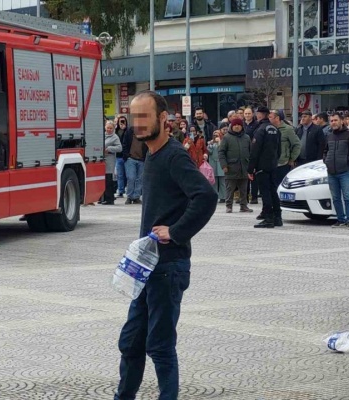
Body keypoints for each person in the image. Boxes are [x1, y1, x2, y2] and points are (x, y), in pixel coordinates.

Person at [114, 91, 217, 400]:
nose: (138, 123)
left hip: (168, 267)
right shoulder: (151, 154)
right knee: (131, 342)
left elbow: (206, 196)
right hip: (148, 267)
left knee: (159, 346)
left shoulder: (173, 155)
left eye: (144, 116)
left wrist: (176, 231)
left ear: (163, 118)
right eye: (134, 117)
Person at [324, 113, 349, 229]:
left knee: (347, 196)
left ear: (341, 121)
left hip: (345, 171)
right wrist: (326, 160)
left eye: (335, 120)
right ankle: (340, 219)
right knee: (335, 198)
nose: (333, 123)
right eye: (331, 121)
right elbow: (325, 151)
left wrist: (347, 160)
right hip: (331, 172)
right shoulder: (329, 135)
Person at [248, 107, 282, 228]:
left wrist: (250, 168)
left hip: (262, 166)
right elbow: (279, 150)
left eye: (257, 114)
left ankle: (268, 218)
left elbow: (254, 151)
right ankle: (278, 217)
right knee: (273, 191)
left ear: (260, 115)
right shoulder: (275, 129)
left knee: (265, 192)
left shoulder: (260, 130)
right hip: (273, 164)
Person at [218, 118, 252, 213]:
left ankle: (244, 206)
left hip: (244, 167)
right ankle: (229, 206)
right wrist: (224, 165)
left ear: (242, 126)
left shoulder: (247, 137)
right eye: (235, 125)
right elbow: (221, 152)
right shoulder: (226, 137)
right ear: (232, 126)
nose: (237, 126)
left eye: (239, 125)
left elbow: (251, 152)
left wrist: (251, 166)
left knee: (244, 189)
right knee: (230, 189)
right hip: (230, 168)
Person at [122, 118, 148, 205]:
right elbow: (124, 144)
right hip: (130, 158)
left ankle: (136, 197)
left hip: (142, 159)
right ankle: (129, 196)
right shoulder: (129, 132)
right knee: (131, 177)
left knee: (140, 179)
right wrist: (126, 156)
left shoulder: (146, 134)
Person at [101, 120, 122, 205]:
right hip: (102, 160)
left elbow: (119, 148)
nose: (109, 130)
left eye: (111, 128)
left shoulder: (115, 137)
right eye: (107, 128)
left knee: (108, 180)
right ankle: (102, 198)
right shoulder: (102, 135)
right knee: (103, 180)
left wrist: (109, 149)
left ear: (113, 129)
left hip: (109, 160)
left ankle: (110, 199)